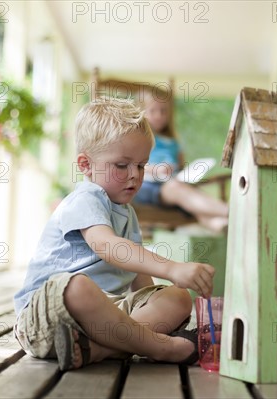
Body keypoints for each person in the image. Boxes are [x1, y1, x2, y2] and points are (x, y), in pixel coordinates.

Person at [13, 97, 215, 371]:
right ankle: (161, 347)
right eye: (122, 165)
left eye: (142, 166)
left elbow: (139, 281)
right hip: (50, 317)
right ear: (85, 164)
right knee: (78, 286)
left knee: (177, 297)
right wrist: (172, 267)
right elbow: (109, 247)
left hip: (104, 323)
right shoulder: (85, 198)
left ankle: (97, 351)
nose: (135, 175)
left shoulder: (127, 211)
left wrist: (157, 299)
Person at [133, 91, 229, 233]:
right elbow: (132, 165)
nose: (159, 115)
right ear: (141, 112)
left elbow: (180, 166)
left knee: (191, 200)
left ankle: (222, 224)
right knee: (179, 190)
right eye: (152, 111)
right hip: (148, 185)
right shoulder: (139, 137)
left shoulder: (173, 142)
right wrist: (155, 169)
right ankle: (232, 212)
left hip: (174, 185)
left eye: (163, 111)